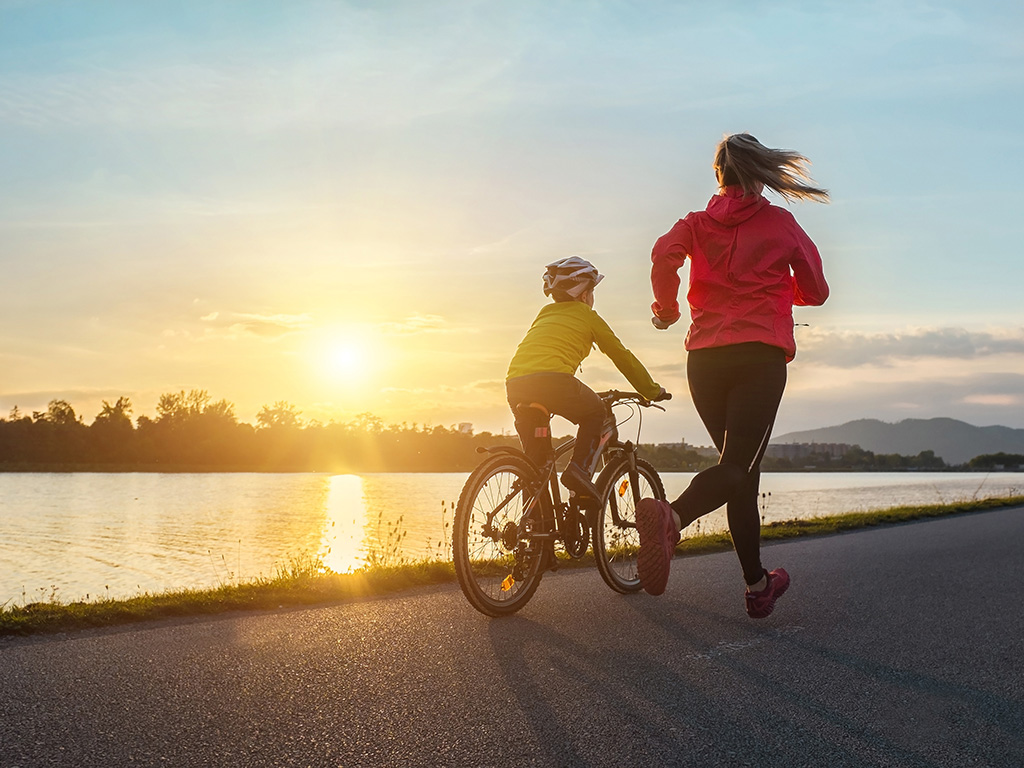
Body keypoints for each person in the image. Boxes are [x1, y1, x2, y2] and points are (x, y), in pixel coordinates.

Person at [637, 133, 830, 618]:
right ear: (760, 173)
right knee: (737, 469)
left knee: (739, 473)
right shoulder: (780, 222)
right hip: (757, 357)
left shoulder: (696, 223)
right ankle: (672, 516)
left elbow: (664, 256)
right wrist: (782, 293)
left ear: (718, 174)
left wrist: (666, 307)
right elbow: (817, 289)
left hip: (703, 360)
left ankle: (757, 584)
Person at [506, 256, 667, 505]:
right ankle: (578, 471)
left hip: (516, 384)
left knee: (535, 467)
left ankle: (538, 536)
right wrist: (651, 390)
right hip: (554, 382)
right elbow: (621, 356)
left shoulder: (545, 313)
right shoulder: (587, 315)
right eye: (592, 292)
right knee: (596, 412)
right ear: (584, 295)